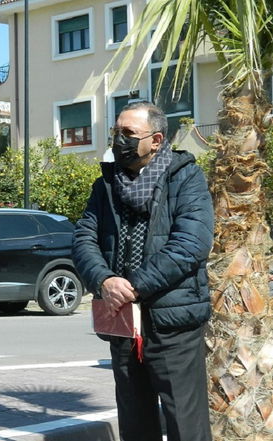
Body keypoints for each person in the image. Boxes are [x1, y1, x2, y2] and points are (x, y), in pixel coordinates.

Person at [72, 101, 214, 441]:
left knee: (186, 424)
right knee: (135, 423)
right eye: (115, 132)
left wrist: (133, 285)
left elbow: (190, 245)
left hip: (173, 322)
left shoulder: (186, 178)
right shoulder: (105, 186)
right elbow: (83, 240)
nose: (119, 140)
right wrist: (104, 280)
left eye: (128, 134)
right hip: (122, 321)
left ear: (156, 139)